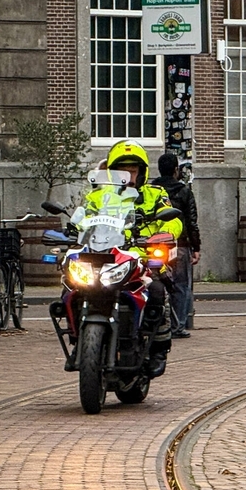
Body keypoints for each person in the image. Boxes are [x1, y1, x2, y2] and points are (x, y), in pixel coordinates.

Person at [90, 140, 183, 377]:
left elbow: (172, 219)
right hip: (106, 257)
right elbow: (83, 218)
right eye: (123, 170)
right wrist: (71, 230)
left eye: (133, 170)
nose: (129, 175)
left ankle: (159, 349)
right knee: (71, 286)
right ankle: (78, 332)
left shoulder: (155, 194)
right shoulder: (100, 197)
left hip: (142, 259)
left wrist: (166, 233)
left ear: (142, 172)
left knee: (157, 291)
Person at [152, 153, 201, 339]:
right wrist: (196, 247)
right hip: (179, 244)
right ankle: (178, 325)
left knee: (155, 282)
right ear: (176, 170)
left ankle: (156, 323)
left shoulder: (151, 190)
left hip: (154, 244)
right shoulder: (185, 192)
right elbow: (191, 222)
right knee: (180, 285)